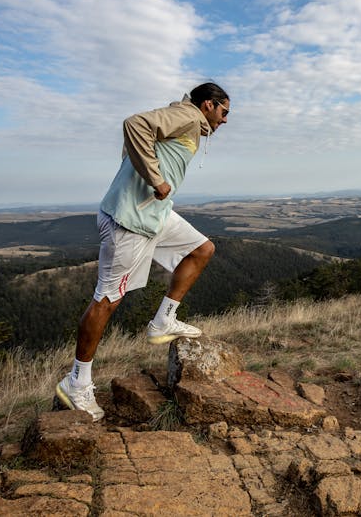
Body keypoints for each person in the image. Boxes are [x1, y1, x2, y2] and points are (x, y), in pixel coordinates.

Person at [55, 82, 230, 421]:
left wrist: (142, 173)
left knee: (202, 249)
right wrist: (155, 180)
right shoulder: (187, 116)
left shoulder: (189, 123)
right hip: (131, 220)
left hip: (153, 215)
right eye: (224, 112)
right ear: (208, 105)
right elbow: (134, 124)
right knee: (107, 300)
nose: (225, 121)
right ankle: (77, 383)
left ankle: (163, 321)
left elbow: (139, 141)